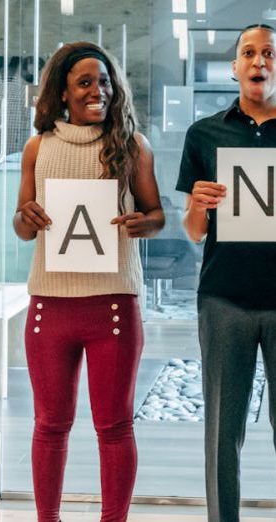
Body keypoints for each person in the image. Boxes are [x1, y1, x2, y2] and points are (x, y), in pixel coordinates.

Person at [13, 42, 164, 522]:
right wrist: (27, 216)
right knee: (49, 425)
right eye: (85, 82)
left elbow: (157, 214)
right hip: (50, 306)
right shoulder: (38, 147)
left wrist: (145, 223)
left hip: (113, 305)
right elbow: (20, 227)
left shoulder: (132, 144)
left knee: (115, 425)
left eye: (104, 81)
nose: (97, 90)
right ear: (62, 91)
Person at [176, 23, 276, 522]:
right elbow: (194, 232)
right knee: (222, 433)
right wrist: (197, 204)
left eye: (269, 53)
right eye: (249, 53)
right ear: (235, 67)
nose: (259, 61)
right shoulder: (205, 134)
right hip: (224, 299)